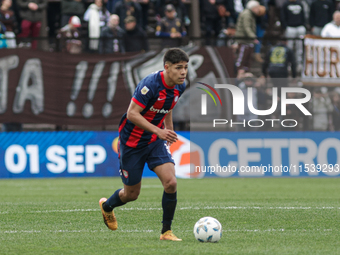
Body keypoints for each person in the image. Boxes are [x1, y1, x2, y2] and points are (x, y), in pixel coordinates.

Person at [99, 48, 189, 241]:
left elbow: (168, 107)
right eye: (179, 68)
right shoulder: (150, 85)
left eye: (185, 68)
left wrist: (169, 131)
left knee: (171, 183)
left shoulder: (180, 86)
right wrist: (159, 131)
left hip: (154, 141)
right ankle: (107, 207)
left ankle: (166, 232)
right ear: (167, 67)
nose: (183, 72)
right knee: (131, 194)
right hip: (132, 143)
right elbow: (132, 113)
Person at [234, 0, 261, 70]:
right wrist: (253, 37)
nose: (259, 10)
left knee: (248, 59)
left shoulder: (250, 14)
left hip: (248, 41)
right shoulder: (247, 14)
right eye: (257, 8)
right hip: (244, 40)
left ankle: (245, 73)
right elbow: (247, 27)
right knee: (241, 59)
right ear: (253, 8)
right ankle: (238, 73)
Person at [280, 0, 306, 70]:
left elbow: (303, 15)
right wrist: (285, 26)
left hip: (300, 27)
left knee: (300, 47)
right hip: (290, 27)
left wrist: (303, 25)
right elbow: (282, 16)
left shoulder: (300, 3)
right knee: (289, 47)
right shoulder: (285, 4)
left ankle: (299, 63)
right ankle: (288, 63)